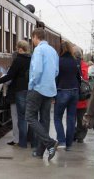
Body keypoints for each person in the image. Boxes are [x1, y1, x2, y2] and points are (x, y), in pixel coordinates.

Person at [25, 28, 59, 161]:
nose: (32, 41)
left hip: (38, 88)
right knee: (45, 119)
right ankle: (40, 151)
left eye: (32, 38)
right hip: (50, 89)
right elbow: (56, 71)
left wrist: (32, 84)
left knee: (30, 117)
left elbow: (37, 70)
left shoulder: (39, 50)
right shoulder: (53, 51)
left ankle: (50, 142)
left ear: (35, 37)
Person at [0, 40, 31, 148]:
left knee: (16, 117)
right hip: (29, 90)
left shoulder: (18, 60)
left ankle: (17, 139)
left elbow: (9, 76)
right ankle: (24, 139)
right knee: (25, 117)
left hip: (17, 92)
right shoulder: (31, 59)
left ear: (19, 48)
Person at [54, 41, 80, 150]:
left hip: (62, 90)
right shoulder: (75, 61)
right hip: (75, 91)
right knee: (71, 118)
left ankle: (61, 141)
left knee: (57, 117)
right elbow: (79, 77)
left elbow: (56, 77)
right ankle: (69, 144)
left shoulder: (58, 61)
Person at [74, 46, 89, 143]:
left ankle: (72, 135)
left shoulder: (71, 63)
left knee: (72, 117)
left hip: (73, 94)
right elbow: (85, 78)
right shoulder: (84, 65)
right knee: (81, 117)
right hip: (82, 96)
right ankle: (80, 136)